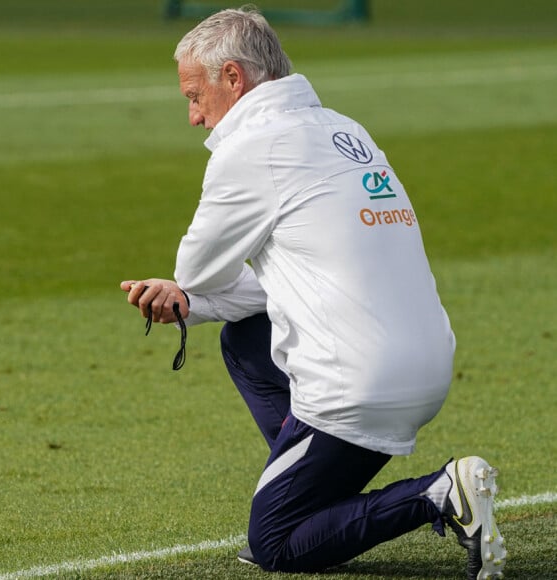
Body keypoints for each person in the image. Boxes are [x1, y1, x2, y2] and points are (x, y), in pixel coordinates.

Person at [121, 7, 506, 579]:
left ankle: (439, 492)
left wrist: (187, 292)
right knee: (246, 337)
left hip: (359, 386)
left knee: (274, 542)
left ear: (234, 78)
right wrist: (192, 302)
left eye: (194, 94)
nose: (194, 116)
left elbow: (195, 269)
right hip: (427, 370)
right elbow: (287, 279)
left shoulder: (251, 147)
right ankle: (305, 481)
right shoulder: (345, 128)